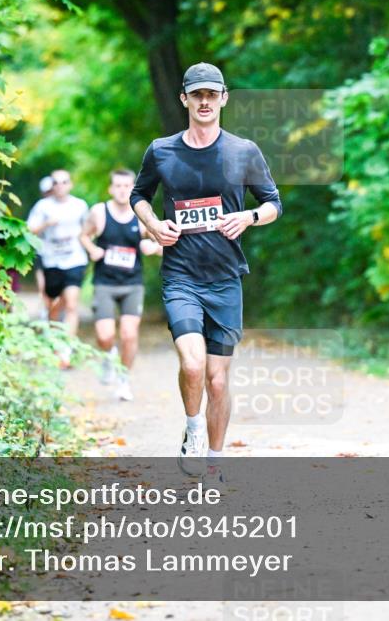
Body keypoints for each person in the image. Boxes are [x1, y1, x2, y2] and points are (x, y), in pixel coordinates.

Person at [130, 62, 282, 480]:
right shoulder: (161, 150)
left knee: (218, 379)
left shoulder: (243, 151)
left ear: (223, 99)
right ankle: (194, 428)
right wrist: (154, 225)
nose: (204, 101)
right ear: (184, 99)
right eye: (196, 94)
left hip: (225, 278)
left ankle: (216, 459)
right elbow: (139, 196)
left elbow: (273, 203)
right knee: (193, 365)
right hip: (181, 275)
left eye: (211, 95)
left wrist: (249, 218)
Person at [81, 169, 162, 402]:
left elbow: (162, 239)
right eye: (118, 185)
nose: (122, 190)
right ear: (110, 189)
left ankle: (124, 380)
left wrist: (154, 247)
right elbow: (84, 235)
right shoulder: (99, 212)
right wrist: (92, 249)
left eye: (127, 186)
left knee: (128, 334)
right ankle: (108, 356)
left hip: (132, 284)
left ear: (133, 188)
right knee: (105, 336)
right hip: (105, 282)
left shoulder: (141, 214)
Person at [26, 169, 89, 364]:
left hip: (75, 260)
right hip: (51, 261)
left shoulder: (80, 205)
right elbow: (28, 231)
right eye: (56, 182)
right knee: (53, 306)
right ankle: (55, 343)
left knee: (71, 304)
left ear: (70, 184)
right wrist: (46, 224)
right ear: (52, 186)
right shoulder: (43, 206)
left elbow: (88, 229)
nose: (60, 185)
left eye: (64, 182)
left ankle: (66, 349)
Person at [33, 175, 54, 319]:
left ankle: (53, 314)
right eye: (47, 192)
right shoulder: (40, 206)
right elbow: (31, 229)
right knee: (43, 286)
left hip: (61, 255)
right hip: (42, 251)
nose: (49, 194)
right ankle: (44, 315)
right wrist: (46, 224)